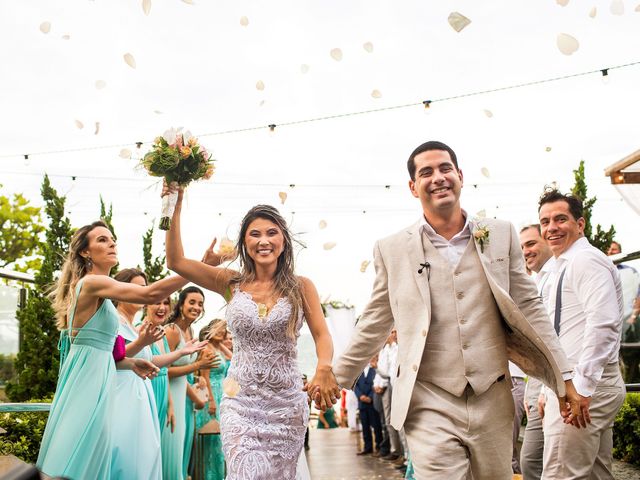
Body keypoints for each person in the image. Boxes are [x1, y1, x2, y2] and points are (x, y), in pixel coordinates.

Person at [332, 141, 581, 479]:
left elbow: (529, 307)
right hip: (428, 400)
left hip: (491, 395)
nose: (438, 177)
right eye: (426, 172)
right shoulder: (391, 249)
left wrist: (563, 376)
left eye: (445, 168)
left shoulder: (499, 233)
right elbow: (375, 320)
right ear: (412, 186)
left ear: (460, 176)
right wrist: (334, 379)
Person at [164, 185, 339, 479]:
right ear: (245, 244)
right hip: (240, 402)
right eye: (254, 234)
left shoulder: (302, 286)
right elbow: (176, 261)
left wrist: (324, 367)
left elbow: (322, 335)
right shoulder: (229, 283)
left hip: (287, 404)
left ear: (284, 240)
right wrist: (174, 203)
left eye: (271, 232)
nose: (264, 240)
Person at [36, 221, 184, 479]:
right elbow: (150, 294)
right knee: (80, 449)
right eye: (102, 240)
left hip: (97, 376)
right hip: (89, 383)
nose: (112, 243)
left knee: (92, 452)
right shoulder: (91, 283)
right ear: (85, 252)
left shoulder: (96, 286)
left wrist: (130, 363)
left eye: (112, 238)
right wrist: (194, 270)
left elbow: (99, 348)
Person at [538, 189, 627, 479]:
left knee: (562, 475)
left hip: (582, 386)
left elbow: (604, 323)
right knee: (596, 474)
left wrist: (583, 388)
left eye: (560, 219)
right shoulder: (556, 267)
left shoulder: (585, 260)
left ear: (580, 224)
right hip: (574, 384)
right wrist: (546, 387)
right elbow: (558, 331)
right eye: (545, 221)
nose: (552, 227)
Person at [110, 268, 207, 480]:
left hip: (142, 394)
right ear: (121, 290)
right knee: (126, 459)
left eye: (145, 289)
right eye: (136, 288)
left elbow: (151, 361)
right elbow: (114, 358)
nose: (142, 293)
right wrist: (141, 342)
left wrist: (181, 351)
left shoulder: (133, 324)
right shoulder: (116, 320)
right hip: (124, 395)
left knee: (146, 457)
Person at [161, 286, 216, 480]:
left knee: (183, 454)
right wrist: (199, 365)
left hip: (185, 399)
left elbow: (184, 369)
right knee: (171, 452)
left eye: (200, 304)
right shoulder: (172, 331)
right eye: (191, 302)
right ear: (181, 304)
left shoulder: (189, 330)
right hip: (171, 399)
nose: (196, 307)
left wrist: (197, 377)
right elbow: (162, 371)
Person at [518, 224, 554, 480]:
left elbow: (555, 340)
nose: (525, 252)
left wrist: (544, 390)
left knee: (532, 462)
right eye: (521, 247)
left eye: (531, 244)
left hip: (550, 388)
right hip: (538, 387)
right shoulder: (536, 282)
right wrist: (531, 390)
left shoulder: (555, 278)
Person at [196, 319, 231, 480]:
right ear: (209, 330)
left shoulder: (217, 348)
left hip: (221, 394)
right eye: (217, 329)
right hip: (212, 395)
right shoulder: (207, 350)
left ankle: (219, 475)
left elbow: (233, 358)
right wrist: (211, 400)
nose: (221, 332)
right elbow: (205, 377)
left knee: (220, 441)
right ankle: (209, 476)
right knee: (213, 441)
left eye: (223, 329)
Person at [355, 357, 384, 455]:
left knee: (376, 426)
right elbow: (355, 386)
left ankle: (379, 446)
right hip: (362, 403)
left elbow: (377, 383)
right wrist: (360, 396)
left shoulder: (375, 370)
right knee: (365, 426)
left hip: (372, 402)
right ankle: (368, 448)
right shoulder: (358, 371)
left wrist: (370, 397)